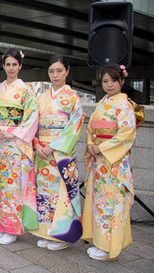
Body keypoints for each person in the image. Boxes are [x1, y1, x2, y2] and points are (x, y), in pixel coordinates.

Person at [0, 48, 39, 245]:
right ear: (3, 66)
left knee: (13, 186)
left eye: (14, 64)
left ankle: (12, 228)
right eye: (7, 64)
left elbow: (32, 117)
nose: (11, 68)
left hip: (15, 144)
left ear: (20, 66)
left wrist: (12, 132)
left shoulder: (26, 90)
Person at [82, 63, 137, 260]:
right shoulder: (103, 102)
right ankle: (100, 242)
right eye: (106, 81)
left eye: (114, 80)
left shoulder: (124, 105)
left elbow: (126, 134)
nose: (110, 84)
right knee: (99, 202)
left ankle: (108, 247)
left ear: (122, 81)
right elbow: (91, 129)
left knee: (111, 203)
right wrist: (90, 144)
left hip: (113, 164)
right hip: (99, 163)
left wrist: (101, 148)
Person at [30, 55, 84, 251]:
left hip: (59, 153)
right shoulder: (41, 97)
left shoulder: (73, 99)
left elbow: (74, 128)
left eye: (59, 70)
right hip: (42, 153)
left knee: (61, 193)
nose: (55, 75)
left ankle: (61, 235)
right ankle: (45, 231)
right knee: (44, 193)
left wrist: (52, 147)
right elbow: (32, 124)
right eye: (51, 71)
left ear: (67, 71)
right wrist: (36, 143)